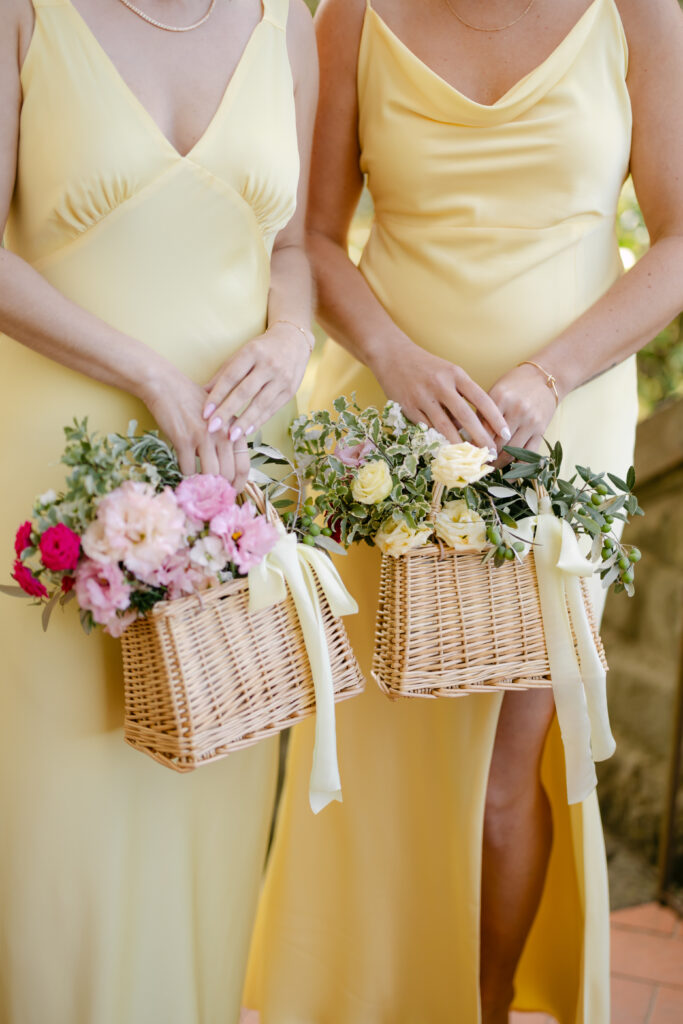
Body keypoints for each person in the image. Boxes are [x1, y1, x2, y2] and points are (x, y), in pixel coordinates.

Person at [245, 1, 683, 1022]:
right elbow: (310, 235)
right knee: (375, 758)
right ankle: (360, 997)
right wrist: (391, 360)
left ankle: (480, 1005)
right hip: (377, 443)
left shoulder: (639, 13)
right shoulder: (350, 12)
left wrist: (549, 372)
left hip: (564, 426)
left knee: (503, 774)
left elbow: (673, 242)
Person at [0, 1, 317, 1022]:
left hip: (228, 485)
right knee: (55, 814)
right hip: (53, 474)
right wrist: (146, 373)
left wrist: (290, 340)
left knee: (203, 786)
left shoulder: (287, 22)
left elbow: (297, 245)